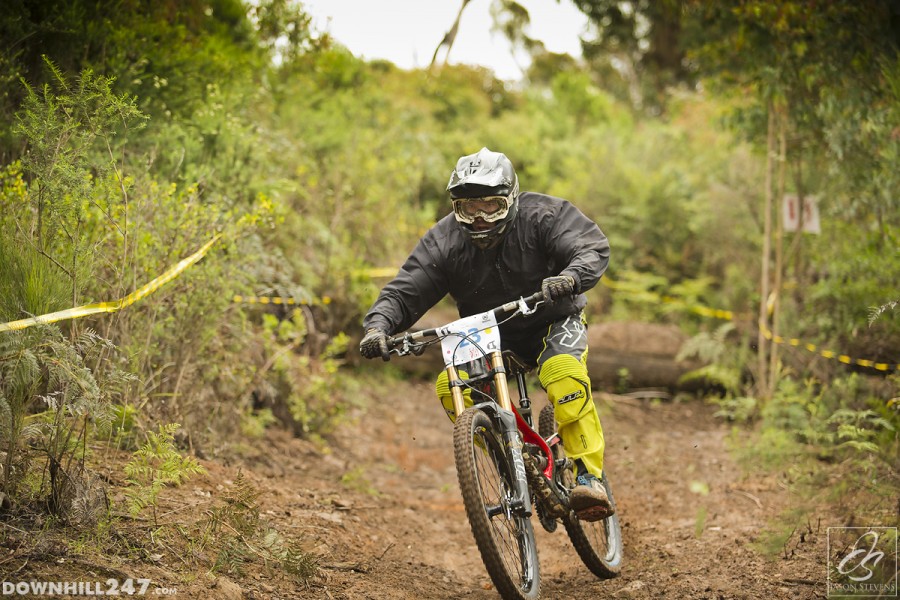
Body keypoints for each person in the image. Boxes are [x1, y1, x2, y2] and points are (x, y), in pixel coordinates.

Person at [359, 147, 613, 521]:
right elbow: (405, 289)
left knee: (562, 373)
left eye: (490, 206)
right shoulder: (443, 241)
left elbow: (589, 245)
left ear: (510, 198)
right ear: (455, 208)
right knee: (451, 387)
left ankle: (590, 476)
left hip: (553, 319)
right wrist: (378, 326)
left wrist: (571, 277)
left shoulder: (545, 215)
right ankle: (507, 454)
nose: (479, 219)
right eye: (468, 209)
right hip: (488, 332)